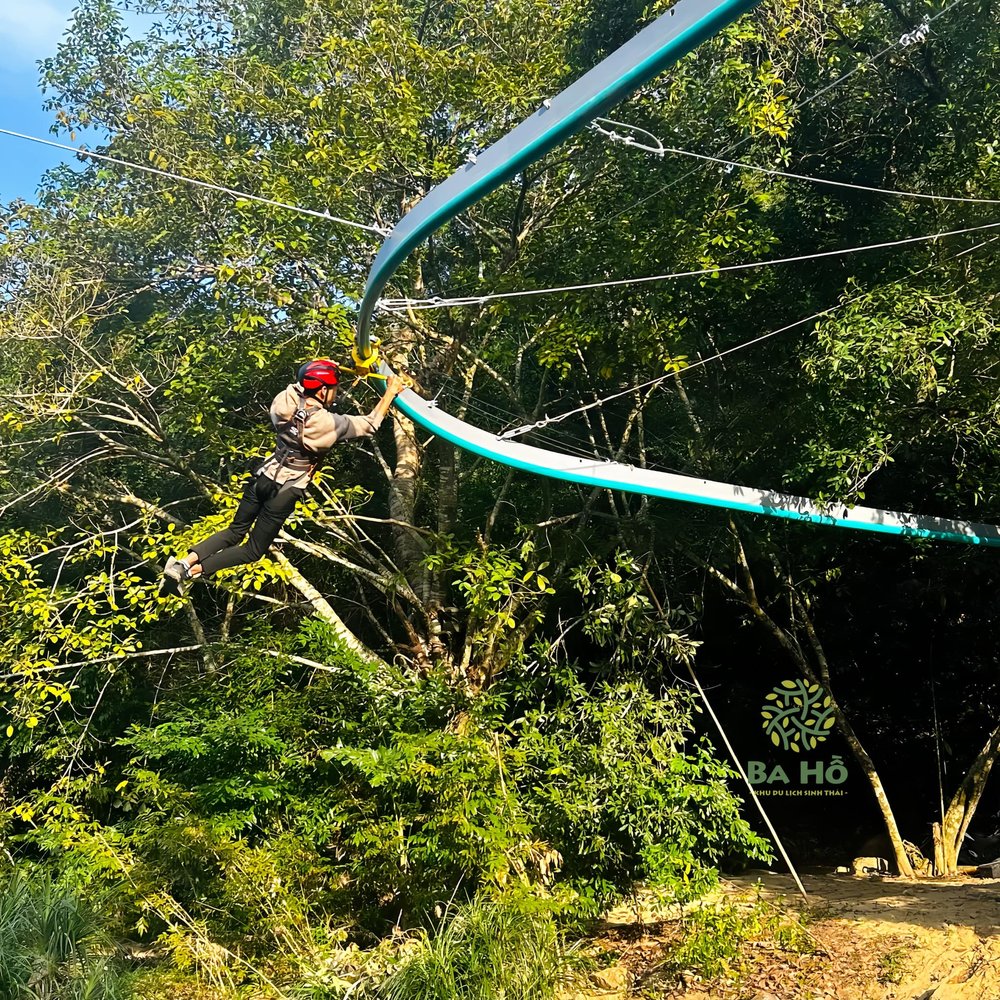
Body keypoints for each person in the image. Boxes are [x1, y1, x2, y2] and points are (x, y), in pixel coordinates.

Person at [161, 359, 407, 596]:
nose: (336, 392)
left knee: (235, 530)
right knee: (253, 550)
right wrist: (390, 393)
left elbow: (298, 385)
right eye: (333, 388)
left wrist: (317, 366)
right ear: (321, 392)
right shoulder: (326, 423)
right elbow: (370, 424)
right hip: (285, 490)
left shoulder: (283, 402)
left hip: (263, 477)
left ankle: (182, 563)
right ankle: (193, 572)